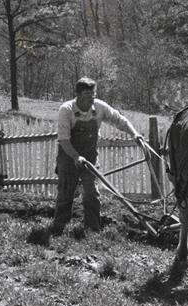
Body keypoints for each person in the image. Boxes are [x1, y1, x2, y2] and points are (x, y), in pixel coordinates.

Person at [50, 77, 143, 235]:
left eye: (93, 93)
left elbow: (119, 120)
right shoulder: (66, 109)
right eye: (87, 94)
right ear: (78, 94)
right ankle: (59, 228)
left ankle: (93, 229)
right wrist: (75, 157)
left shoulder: (99, 107)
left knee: (92, 193)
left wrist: (135, 135)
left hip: (90, 156)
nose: (91, 97)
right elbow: (64, 139)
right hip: (68, 156)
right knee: (66, 193)